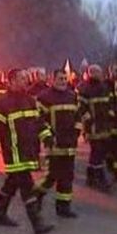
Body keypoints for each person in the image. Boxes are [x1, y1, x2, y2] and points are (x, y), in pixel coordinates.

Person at [0, 69, 55, 234]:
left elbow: (38, 122)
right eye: (22, 78)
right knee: (26, 184)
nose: (26, 81)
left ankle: (0, 214)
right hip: (13, 151)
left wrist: (47, 137)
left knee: (12, 183)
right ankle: (37, 223)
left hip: (29, 150)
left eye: (26, 78)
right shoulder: (1, 104)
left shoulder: (30, 100)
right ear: (11, 81)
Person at [35, 69, 81, 218]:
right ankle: (36, 196)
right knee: (52, 175)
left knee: (68, 176)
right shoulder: (44, 98)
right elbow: (39, 120)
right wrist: (48, 137)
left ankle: (63, 207)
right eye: (60, 78)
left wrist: (77, 132)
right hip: (54, 143)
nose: (63, 81)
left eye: (64, 78)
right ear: (52, 79)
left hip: (69, 143)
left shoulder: (72, 96)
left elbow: (78, 117)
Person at [76, 64, 113, 191]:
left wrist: (110, 115)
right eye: (98, 72)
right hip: (93, 127)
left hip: (104, 125)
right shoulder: (85, 88)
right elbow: (81, 108)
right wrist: (89, 121)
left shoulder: (104, 87)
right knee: (97, 152)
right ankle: (100, 179)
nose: (101, 74)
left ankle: (90, 177)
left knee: (99, 152)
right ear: (92, 73)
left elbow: (108, 104)